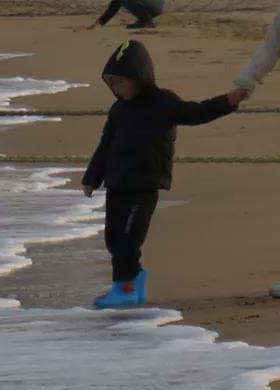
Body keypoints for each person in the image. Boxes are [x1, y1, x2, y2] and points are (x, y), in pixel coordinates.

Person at [81, 40, 243, 309]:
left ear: (139, 78)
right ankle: (134, 280)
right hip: (117, 183)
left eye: (121, 82)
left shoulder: (163, 102)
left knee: (128, 239)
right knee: (113, 237)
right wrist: (91, 178)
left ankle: (125, 288)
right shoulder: (119, 109)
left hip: (145, 184)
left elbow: (197, 112)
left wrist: (227, 102)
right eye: (113, 84)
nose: (117, 89)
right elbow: (105, 146)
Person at [93, 0, 165, 32]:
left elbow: (112, 10)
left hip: (153, 5)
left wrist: (98, 24)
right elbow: (111, 10)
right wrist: (98, 23)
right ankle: (145, 19)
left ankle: (146, 20)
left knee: (127, 1)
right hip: (159, 5)